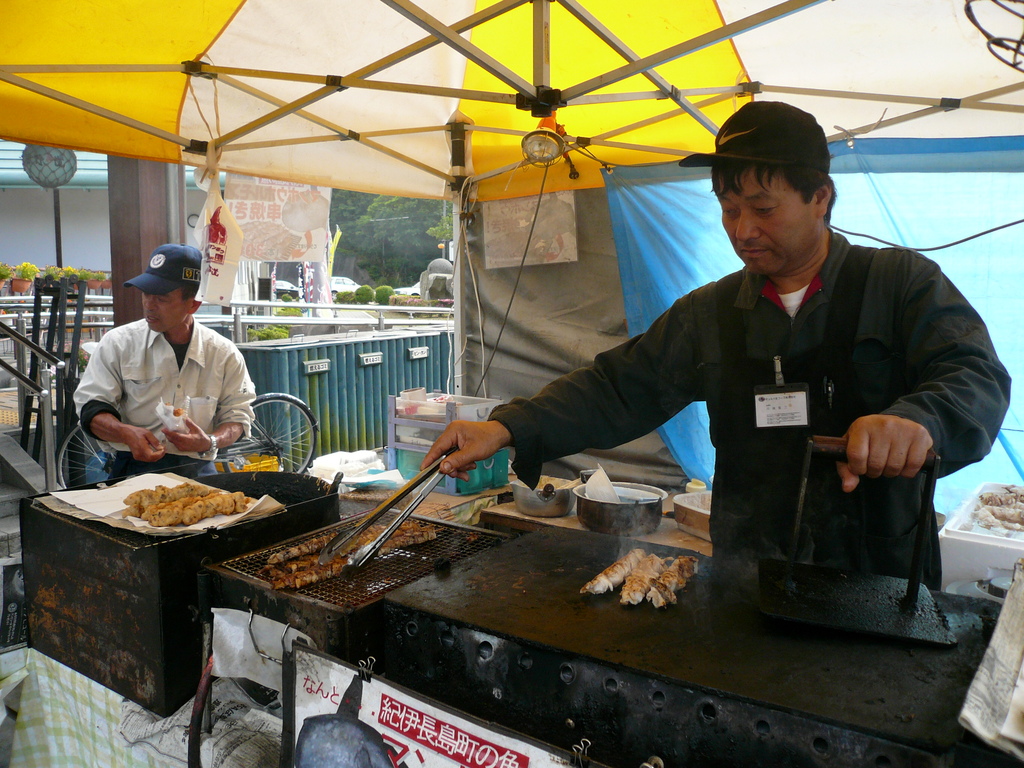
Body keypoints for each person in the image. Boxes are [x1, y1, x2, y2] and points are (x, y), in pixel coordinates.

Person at [422, 101, 1011, 588]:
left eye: (762, 208)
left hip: (878, 580)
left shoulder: (901, 284)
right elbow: (617, 387)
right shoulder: (711, 314)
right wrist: (508, 427)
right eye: (729, 210)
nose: (743, 230)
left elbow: (976, 375)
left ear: (820, 197)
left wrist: (917, 420)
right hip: (747, 580)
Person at [74, 244, 256, 480]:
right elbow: (91, 409)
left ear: (193, 304)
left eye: (161, 298)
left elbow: (238, 417)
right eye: (145, 294)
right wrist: (125, 432)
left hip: (198, 469)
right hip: (132, 468)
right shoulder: (118, 343)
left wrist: (210, 441)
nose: (149, 304)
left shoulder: (223, 353)